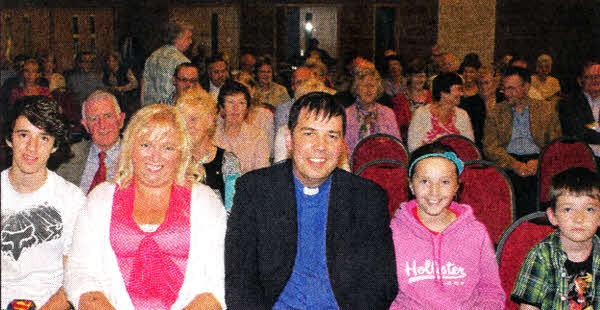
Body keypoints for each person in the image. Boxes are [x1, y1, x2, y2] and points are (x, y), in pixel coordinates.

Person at [225, 92, 398, 309]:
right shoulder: (255, 191)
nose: (321, 146)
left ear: (343, 145)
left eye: (332, 136)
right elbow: (239, 279)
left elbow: (381, 283)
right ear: (289, 139)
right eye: (309, 134)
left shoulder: (367, 198)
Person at [65, 104, 226, 309]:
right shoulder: (100, 198)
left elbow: (218, 280)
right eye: (145, 145)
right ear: (130, 147)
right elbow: (80, 272)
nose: (155, 157)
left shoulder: (205, 202)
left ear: (181, 153)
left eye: (167, 147)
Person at [389, 142, 505, 309]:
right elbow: (383, 293)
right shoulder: (393, 232)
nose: (434, 191)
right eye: (424, 181)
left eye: (444, 182)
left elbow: (490, 291)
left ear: (457, 186)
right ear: (411, 185)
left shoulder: (476, 233)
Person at [2, 96, 85, 309]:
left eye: (43, 138)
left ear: (55, 146)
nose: (32, 148)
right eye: (23, 135)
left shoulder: (71, 199)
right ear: (9, 139)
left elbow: (75, 278)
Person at [511, 167, 600, 310]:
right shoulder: (541, 255)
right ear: (553, 216)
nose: (579, 219)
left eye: (589, 209)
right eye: (568, 209)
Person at [483, 66, 561, 217]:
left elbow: (555, 144)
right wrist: (513, 164)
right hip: (507, 161)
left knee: (539, 187)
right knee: (512, 187)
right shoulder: (496, 112)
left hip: (538, 160)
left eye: (511, 88)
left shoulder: (546, 109)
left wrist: (540, 161)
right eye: (504, 89)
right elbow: (490, 147)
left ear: (526, 87)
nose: (507, 93)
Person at [176, 87, 241, 210]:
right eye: (183, 121)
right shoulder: (174, 159)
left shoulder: (227, 161)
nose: (188, 126)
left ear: (210, 120)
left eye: (193, 119)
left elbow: (233, 210)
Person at [56, 90, 124, 194]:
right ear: (86, 126)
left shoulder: (136, 156)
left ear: (120, 120)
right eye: (94, 119)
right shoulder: (69, 155)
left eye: (108, 116)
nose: (102, 125)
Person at [407, 72, 474, 152]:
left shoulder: (462, 115)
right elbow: (413, 147)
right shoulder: (422, 113)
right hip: (429, 161)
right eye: (459, 89)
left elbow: (469, 146)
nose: (461, 94)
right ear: (444, 93)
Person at [214, 81, 270, 173]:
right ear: (222, 108)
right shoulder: (211, 135)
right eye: (230, 102)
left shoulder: (258, 136)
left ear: (247, 109)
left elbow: (261, 175)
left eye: (241, 103)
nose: (236, 108)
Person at [344, 66, 400, 154]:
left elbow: (396, 146)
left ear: (378, 89)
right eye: (364, 85)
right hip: (354, 164)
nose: (369, 89)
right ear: (356, 89)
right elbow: (343, 149)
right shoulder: (346, 115)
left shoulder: (388, 113)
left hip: (382, 161)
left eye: (372, 86)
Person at [142, 20, 193, 106]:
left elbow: (143, 88)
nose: (191, 41)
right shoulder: (182, 62)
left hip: (151, 112)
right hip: (170, 113)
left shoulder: (152, 57)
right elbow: (187, 95)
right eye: (188, 38)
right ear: (178, 38)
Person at [558, 60, 600, 162]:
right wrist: (597, 125)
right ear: (580, 81)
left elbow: (586, 128)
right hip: (583, 158)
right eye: (589, 77)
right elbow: (577, 133)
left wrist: (590, 126)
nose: (594, 80)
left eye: (598, 76)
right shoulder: (568, 103)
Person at [392, 59, 432, 139]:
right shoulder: (399, 99)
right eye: (416, 76)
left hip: (430, 137)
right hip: (408, 138)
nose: (420, 80)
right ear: (409, 77)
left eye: (422, 76)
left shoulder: (431, 96)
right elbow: (399, 125)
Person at [102, 51, 139, 115]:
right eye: (107, 61)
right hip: (113, 99)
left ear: (117, 62)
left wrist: (122, 88)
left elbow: (135, 84)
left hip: (126, 99)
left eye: (111, 61)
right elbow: (104, 84)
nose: (109, 63)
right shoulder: (106, 72)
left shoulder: (125, 70)